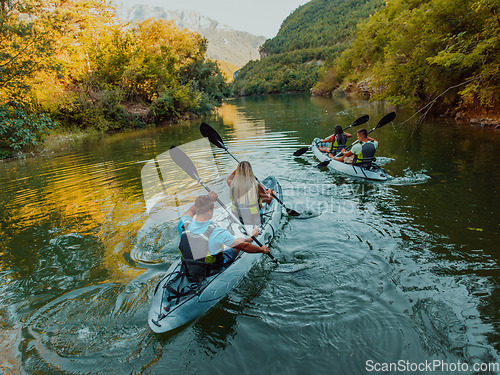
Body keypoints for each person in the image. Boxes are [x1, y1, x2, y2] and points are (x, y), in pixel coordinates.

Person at [178, 191, 269, 274]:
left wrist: (208, 198)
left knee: (237, 240)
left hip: (190, 266)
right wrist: (262, 250)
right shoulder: (218, 232)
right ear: (209, 212)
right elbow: (244, 247)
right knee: (241, 241)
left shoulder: (184, 224)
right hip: (211, 268)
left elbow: (189, 211)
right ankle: (249, 238)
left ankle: (247, 239)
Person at [226, 161, 274, 226]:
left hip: (237, 218)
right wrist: (270, 193)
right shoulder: (257, 186)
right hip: (253, 219)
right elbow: (268, 201)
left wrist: (240, 168)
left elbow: (229, 178)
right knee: (260, 200)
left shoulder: (232, 185)